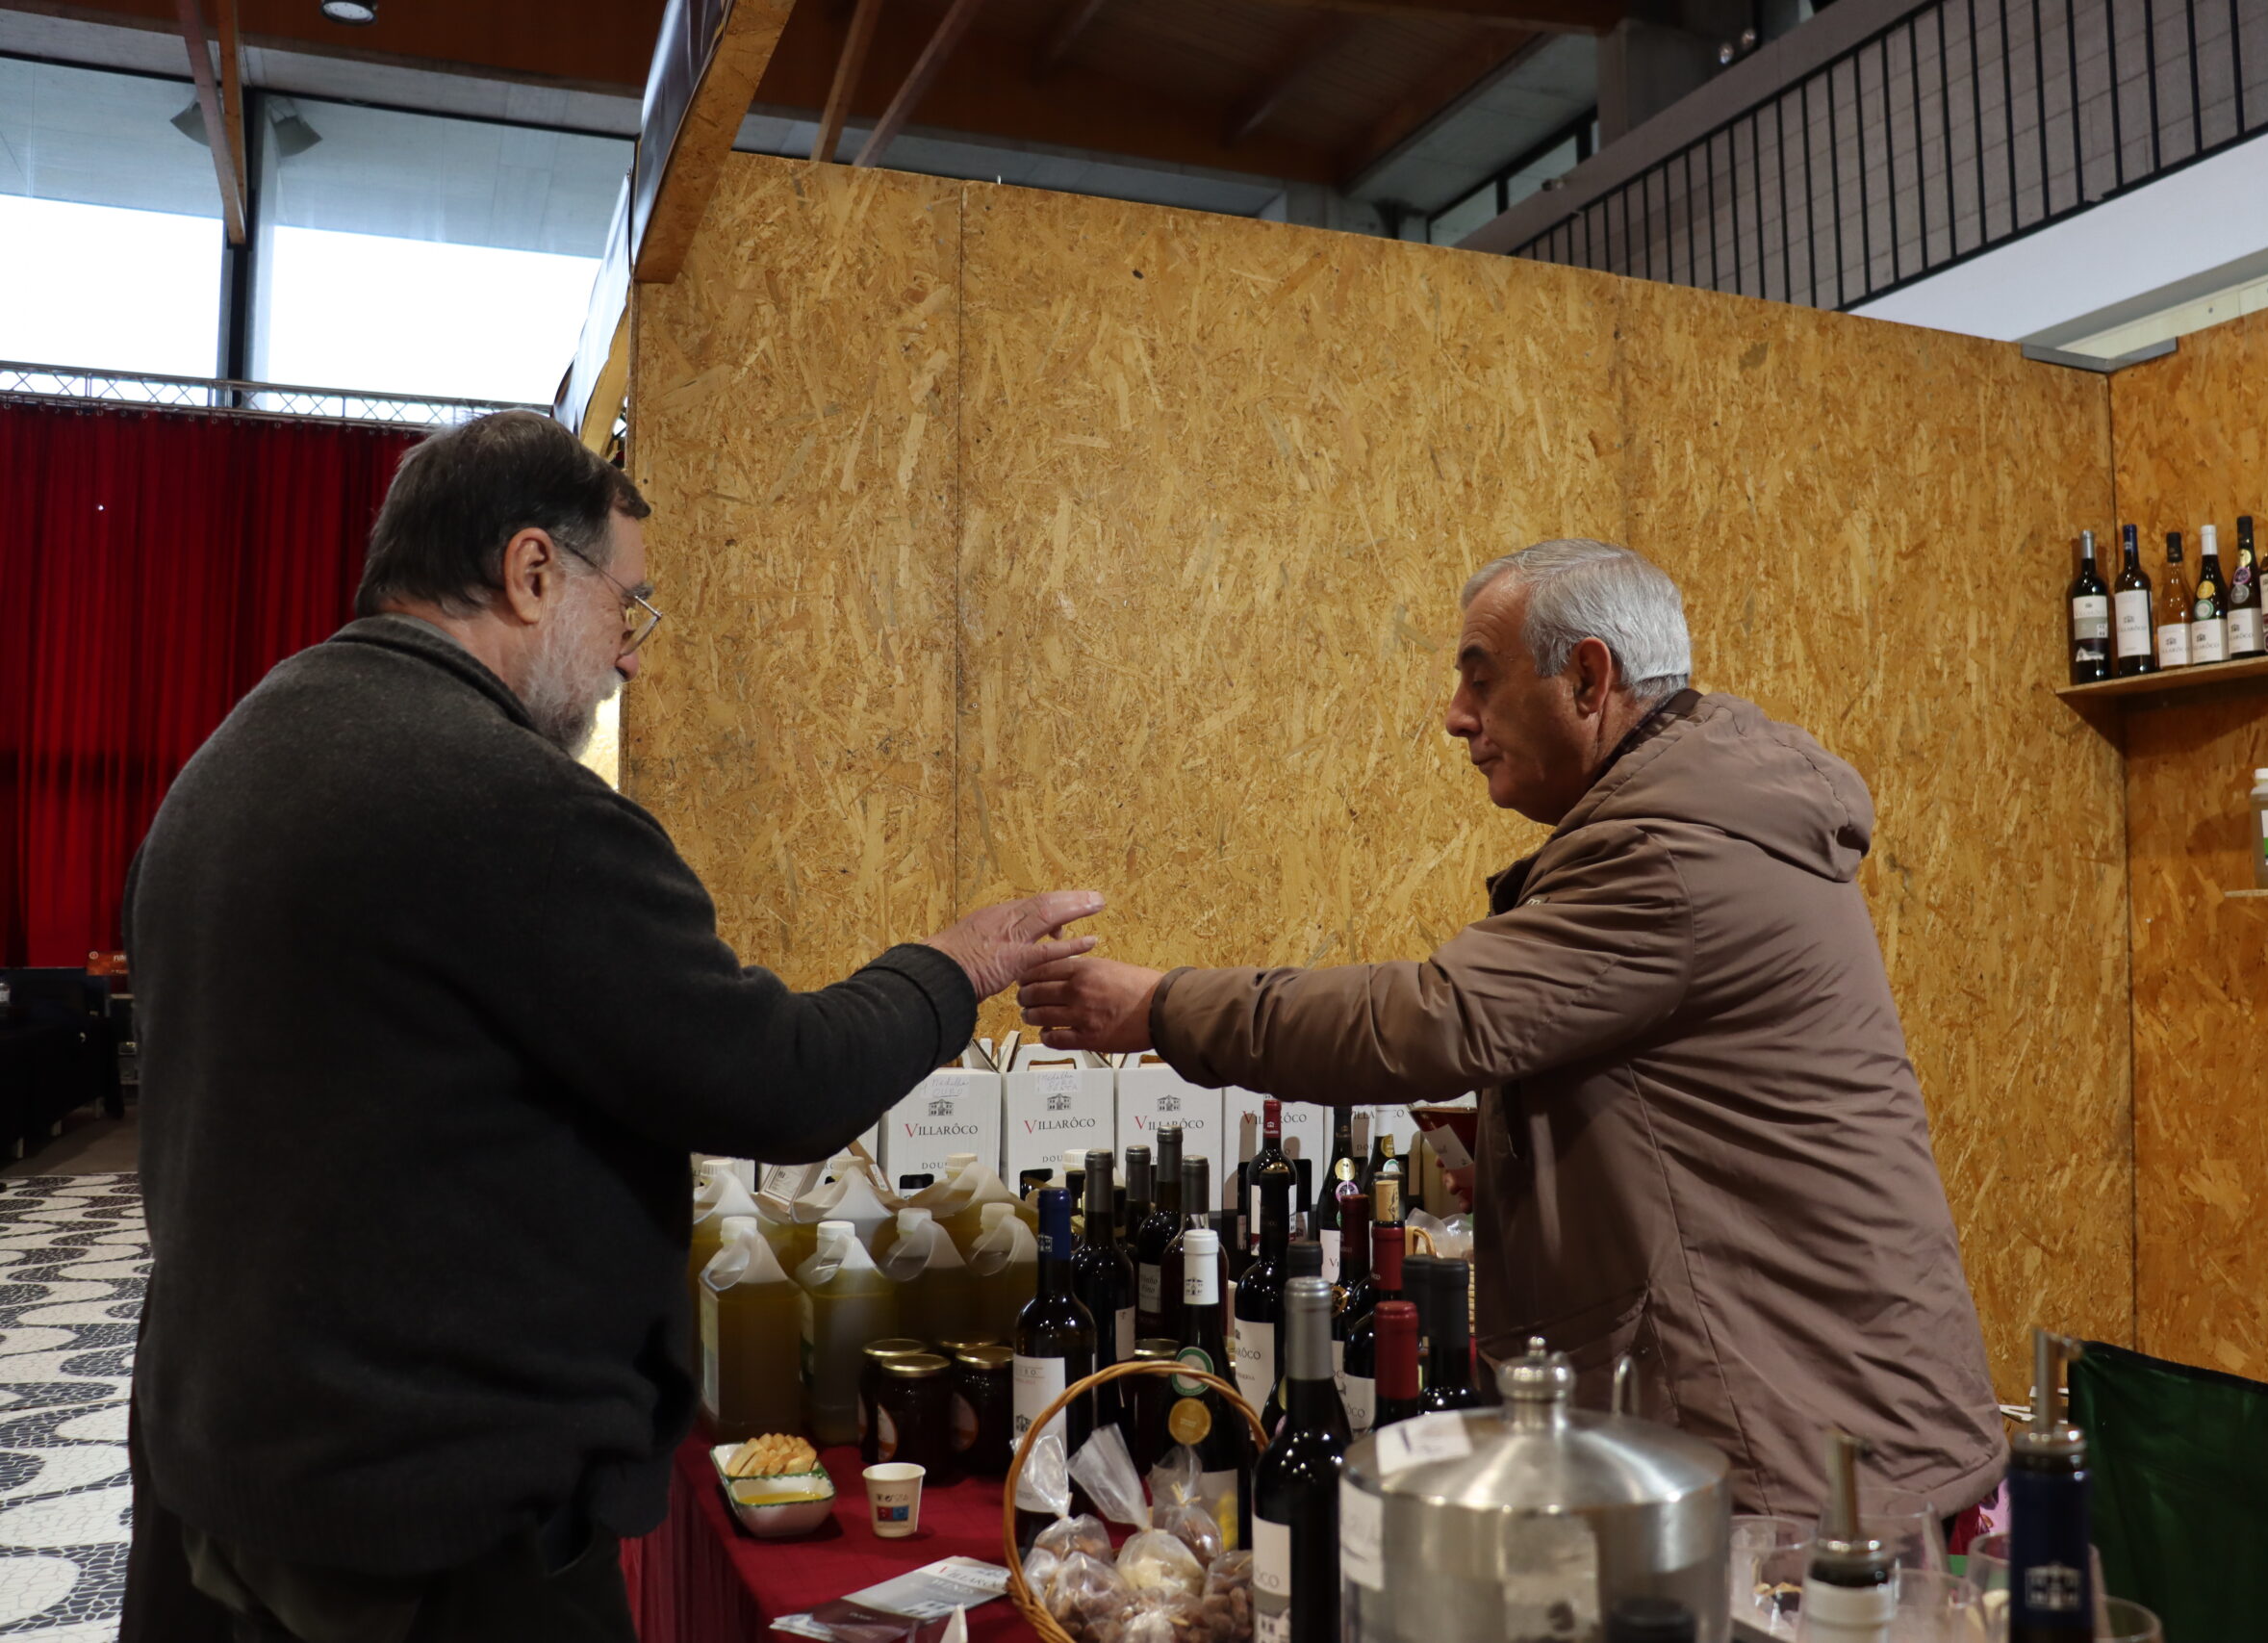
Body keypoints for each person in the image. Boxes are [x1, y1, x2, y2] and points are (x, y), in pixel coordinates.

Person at [121, 411, 1100, 1643]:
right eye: (627, 606)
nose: (630, 659)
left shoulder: (237, 755)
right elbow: (777, 1081)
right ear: (532, 572)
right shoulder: (500, 799)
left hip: (227, 1476)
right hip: (428, 1533)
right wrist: (958, 964)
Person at [1020, 537, 2002, 1523]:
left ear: (1588, 679)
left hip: (1802, 1457)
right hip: (1813, 1421)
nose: (1457, 716)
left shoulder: (1666, 854)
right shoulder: (1700, 814)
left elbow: (1430, 1020)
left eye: (1481, 679)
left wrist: (1160, 1007)